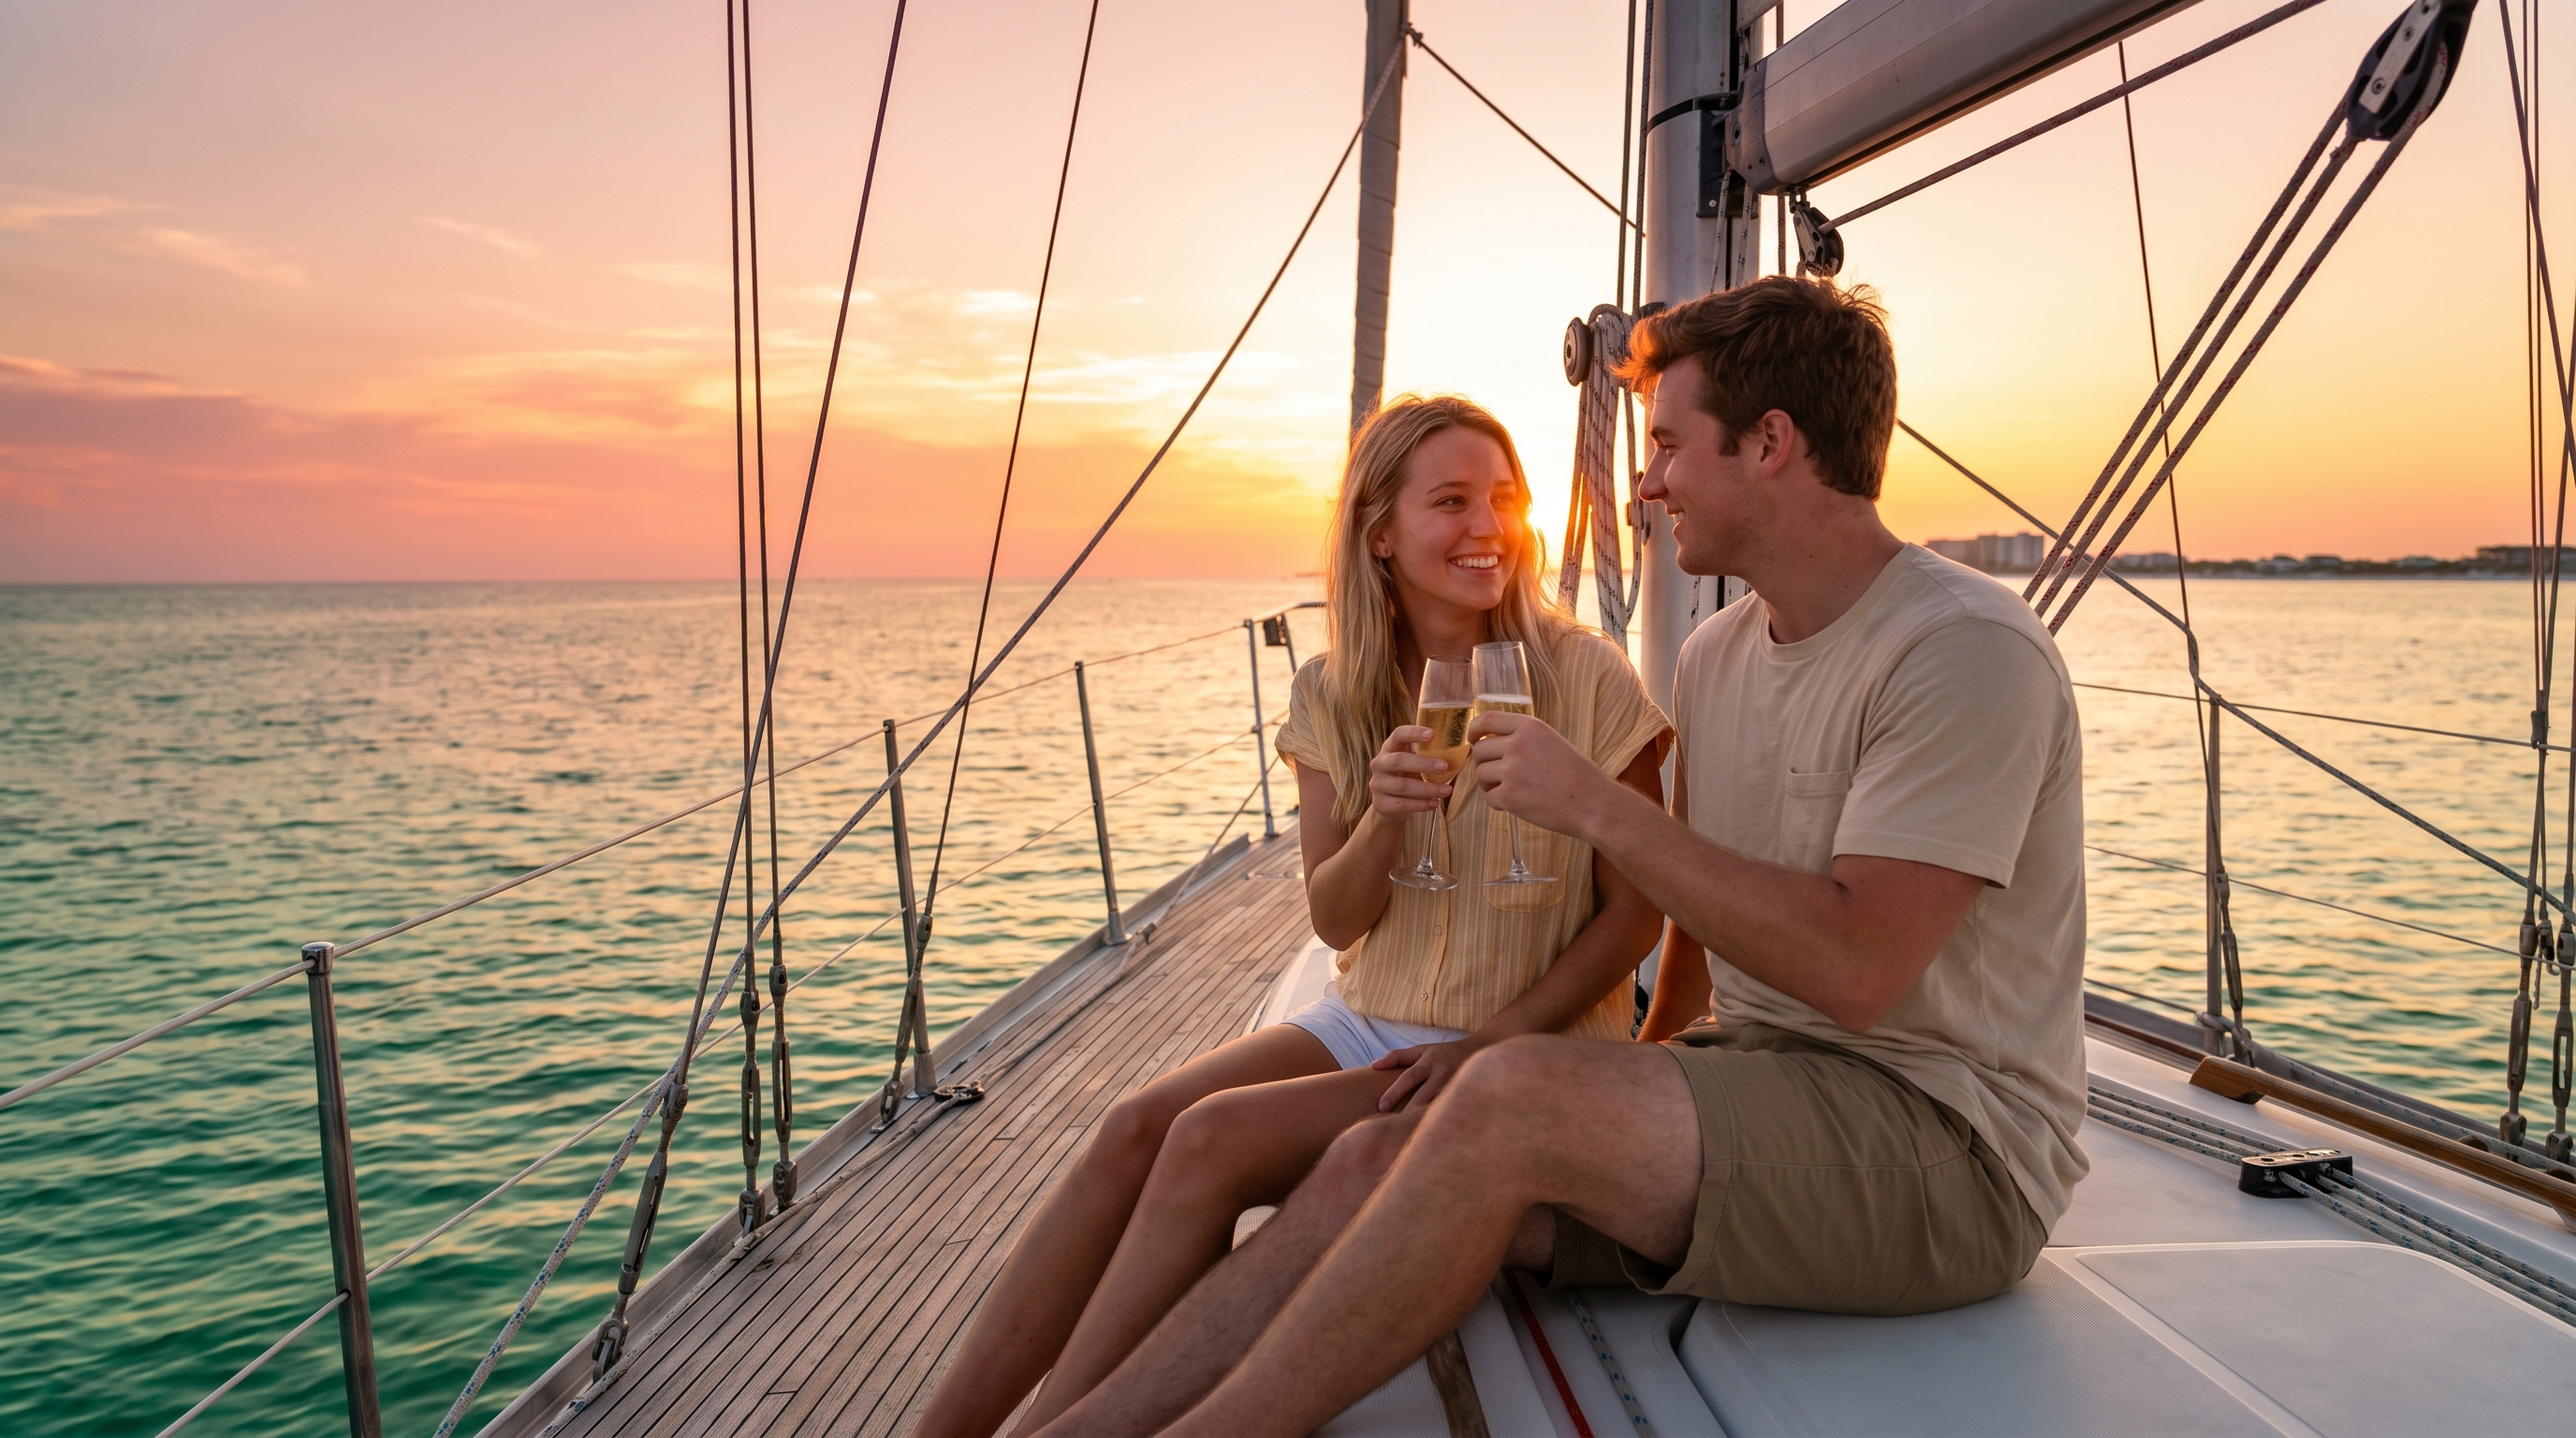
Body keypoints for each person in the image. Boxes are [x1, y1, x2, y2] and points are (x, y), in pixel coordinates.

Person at [1023, 276, 2090, 1438]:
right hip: (1766, 1087)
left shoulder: (1960, 649)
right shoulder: (1724, 653)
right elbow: (1695, 926)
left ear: (1771, 444)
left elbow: (1856, 970)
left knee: (1509, 1088)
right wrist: (1627, 1082)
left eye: (1672, 444)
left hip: (1943, 1150)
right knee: (1367, 1161)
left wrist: (1595, 809)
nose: (1646, 481)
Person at [914, 393, 1672, 1438]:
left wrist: (1488, 1047)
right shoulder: (1334, 689)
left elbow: (1635, 922)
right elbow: (1332, 917)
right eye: (1449, 502)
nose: (1486, 527)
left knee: (1209, 1140)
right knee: (1133, 1124)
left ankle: (1063, 1429)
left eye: (1502, 498)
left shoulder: (1585, 675)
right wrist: (1387, 825)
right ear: (1380, 532)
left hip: (1517, 1046)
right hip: (1368, 1018)